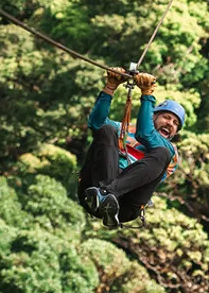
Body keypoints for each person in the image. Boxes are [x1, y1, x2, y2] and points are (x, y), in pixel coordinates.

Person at [78, 68, 185, 228]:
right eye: (166, 117)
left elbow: (146, 135)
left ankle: (108, 193)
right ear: (153, 116)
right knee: (107, 130)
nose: (170, 123)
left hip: (125, 204)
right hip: (93, 190)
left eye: (175, 123)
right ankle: (105, 194)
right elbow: (96, 123)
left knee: (161, 154)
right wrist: (110, 87)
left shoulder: (170, 152)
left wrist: (147, 94)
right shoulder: (125, 130)